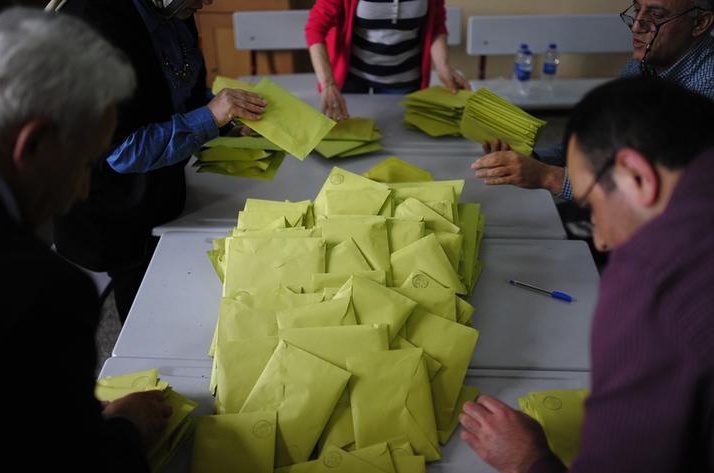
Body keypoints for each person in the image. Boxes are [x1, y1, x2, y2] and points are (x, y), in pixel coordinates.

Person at [459, 76, 714, 472]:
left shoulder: (653, 284)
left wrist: (529, 460)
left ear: (636, 176)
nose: (601, 239)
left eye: (592, 206)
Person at [0, 7, 172, 471]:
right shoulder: (42, 292)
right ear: (35, 145)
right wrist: (122, 428)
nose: (84, 189)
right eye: (86, 162)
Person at [53, 0, 267, 323]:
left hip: (162, 191)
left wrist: (225, 115)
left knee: (189, 292)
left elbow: (179, 90)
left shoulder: (174, 8)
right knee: (148, 317)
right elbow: (123, 151)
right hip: (112, 212)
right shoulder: (95, 27)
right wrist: (211, 117)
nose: (207, 3)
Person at [470, 0, 714, 201]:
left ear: (700, 23)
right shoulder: (641, 67)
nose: (637, 26)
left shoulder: (704, 93)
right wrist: (533, 158)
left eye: (656, 15)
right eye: (637, 9)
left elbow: (652, 198)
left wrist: (549, 177)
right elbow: (599, 144)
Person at [305, 0, 469, 120]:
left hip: (405, 80)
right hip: (352, 79)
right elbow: (316, 28)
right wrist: (328, 83)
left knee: (400, 140)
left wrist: (443, 66)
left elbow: (436, 26)